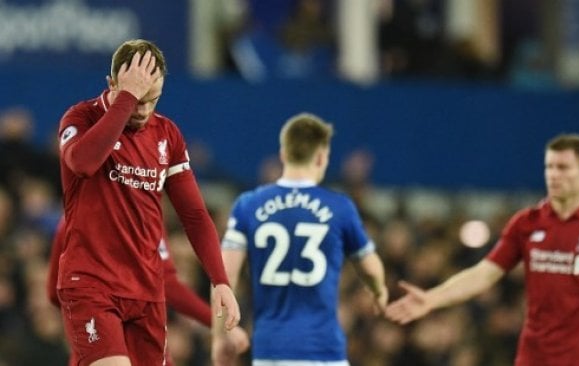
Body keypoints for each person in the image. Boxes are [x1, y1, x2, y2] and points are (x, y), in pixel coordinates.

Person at [386, 133, 579, 366]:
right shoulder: (526, 223)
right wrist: (433, 299)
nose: (553, 174)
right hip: (533, 356)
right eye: (549, 166)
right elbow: (485, 273)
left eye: (563, 167)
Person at [56, 39, 240, 366]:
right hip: (91, 284)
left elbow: (195, 215)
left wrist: (220, 281)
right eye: (136, 99)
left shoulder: (167, 135)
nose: (142, 110)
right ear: (112, 83)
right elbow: (83, 163)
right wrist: (125, 99)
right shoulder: (80, 117)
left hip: (146, 291)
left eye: (151, 99)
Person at [211, 112, 388, 365]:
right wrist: (378, 290)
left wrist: (219, 336)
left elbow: (223, 275)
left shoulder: (248, 205)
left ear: (284, 155)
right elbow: (371, 268)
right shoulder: (340, 208)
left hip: (270, 348)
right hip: (323, 349)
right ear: (321, 157)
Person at [46, 216, 226, 365]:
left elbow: (54, 293)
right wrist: (219, 324)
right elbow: (168, 284)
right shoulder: (146, 217)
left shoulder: (70, 220)